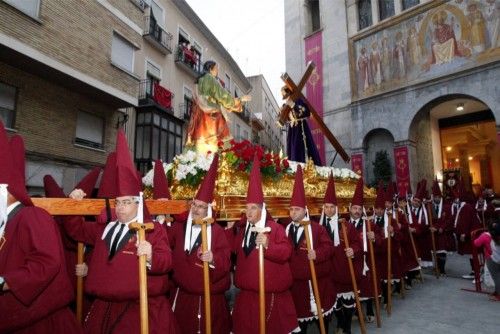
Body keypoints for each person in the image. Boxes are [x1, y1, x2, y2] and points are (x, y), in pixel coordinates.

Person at [63, 130, 178, 333]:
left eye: (126, 202)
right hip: (102, 309)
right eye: (117, 202)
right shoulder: (105, 228)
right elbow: (76, 230)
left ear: (138, 203)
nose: (120, 207)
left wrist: (151, 255)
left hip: (139, 311)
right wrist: (73, 206)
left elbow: (166, 261)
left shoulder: (152, 229)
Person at [0, 123, 81, 333]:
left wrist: (3, 282)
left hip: (44, 323)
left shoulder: (33, 216)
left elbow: (47, 263)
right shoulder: (4, 223)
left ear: (7, 192)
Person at [228, 154, 299, 334]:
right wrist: (229, 229)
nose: (248, 211)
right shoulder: (242, 229)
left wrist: (268, 245)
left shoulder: (275, 229)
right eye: (247, 207)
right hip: (246, 297)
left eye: (253, 208)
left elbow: (286, 252)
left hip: (270, 297)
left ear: (262, 210)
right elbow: (231, 250)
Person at [168, 154, 232, 334]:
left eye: (201, 206)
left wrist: (214, 259)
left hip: (209, 300)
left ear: (208, 209)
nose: (196, 209)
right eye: (194, 204)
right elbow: (164, 246)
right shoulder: (178, 228)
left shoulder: (218, 232)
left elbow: (226, 262)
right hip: (180, 297)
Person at [286, 166, 335, 333]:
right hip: (296, 284)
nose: (293, 213)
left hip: (316, 281)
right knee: (301, 319)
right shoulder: (285, 229)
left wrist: (317, 253)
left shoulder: (317, 228)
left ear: (305, 210)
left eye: (297, 209)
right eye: (291, 209)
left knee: (323, 317)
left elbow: (329, 247)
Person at [186, 60, 251, 153]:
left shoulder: (198, 81)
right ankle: (223, 161)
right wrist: (240, 100)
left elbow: (198, 99)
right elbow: (222, 96)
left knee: (198, 144)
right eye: (216, 68)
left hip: (199, 117)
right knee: (224, 142)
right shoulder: (210, 79)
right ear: (210, 69)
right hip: (211, 116)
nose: (217, 71)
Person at [330, 177, 363, 334]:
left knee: (348, 302)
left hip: (347, 271)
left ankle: (347, 328)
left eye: (332, 208)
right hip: (332, 273)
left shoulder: (347, 226)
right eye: (326, 208)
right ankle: (341, 323)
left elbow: (358, 243)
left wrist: (353, 250)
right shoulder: (321, 227)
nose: (329, 211)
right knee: (335, 303)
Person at [349, 177, 377, 323]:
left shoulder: (369, 224)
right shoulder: (345, 225)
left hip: (366, 261)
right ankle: (355, 310)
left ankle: (370, 310)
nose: (357, 211)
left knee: (367, 286)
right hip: (352, 261)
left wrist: (374, 237)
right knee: (354, 287)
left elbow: (378, 239)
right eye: (355, 208)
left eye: (360, 209)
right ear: (350, 209)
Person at [281, 86, 323, 166]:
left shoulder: (298, 101)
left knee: (300, 148)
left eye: (286, 96)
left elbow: (306, 112)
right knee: (293, 150)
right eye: (285, 97)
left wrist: (293, 105)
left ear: (290, 93)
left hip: (301, 128)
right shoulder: (285, 106)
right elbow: (285, 118)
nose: (286, 99)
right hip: (292, 131)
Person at [429, 179, 454, 276]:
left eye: (438, 197)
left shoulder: (446, 207)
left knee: (442, 251)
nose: (437, 198)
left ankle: (442, 269)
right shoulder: (429, 207)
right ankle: (437, 268)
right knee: (435, 252)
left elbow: (449, 219)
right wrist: (432, 227)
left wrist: (441, 228)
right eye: (435, 197)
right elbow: (429, 219)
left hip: (442, 233)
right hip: (433, 233)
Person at [474, 220, 500, 301]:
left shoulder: (485, 235)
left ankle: (499, 295)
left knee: (496, 276)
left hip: (491, 258)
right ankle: (497, 291)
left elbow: (476, 243)